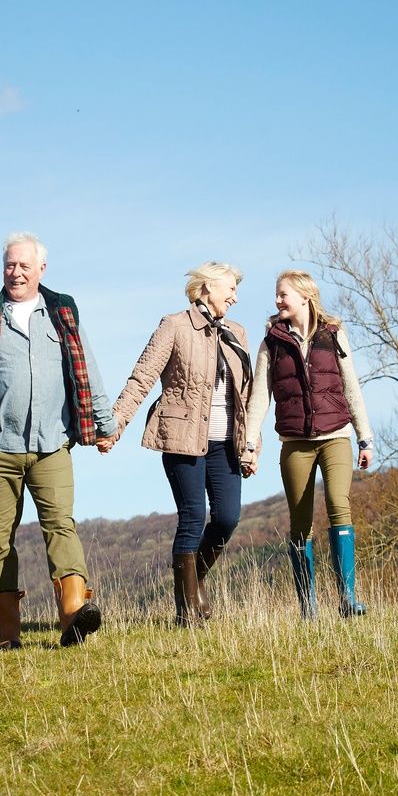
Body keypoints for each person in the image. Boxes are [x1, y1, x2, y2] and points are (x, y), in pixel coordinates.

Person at [0, 233, 117, 648]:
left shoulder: (62, 311)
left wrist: (104, 425)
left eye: (23, 265)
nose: (15, 272)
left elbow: (87, 369)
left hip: (51, 444)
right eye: (9, 265)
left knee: (61, 526)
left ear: (41, 269)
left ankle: (73, 618)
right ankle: (7, 637)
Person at [106, 262, 253, 626]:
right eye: (229, 288)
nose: (235, 296)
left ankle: (195, 581)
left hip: (226, 442)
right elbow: (142, 377)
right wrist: (115, 424)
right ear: (206, 288)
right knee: (192, 517)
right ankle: (187, 611)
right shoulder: (174, 326)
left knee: (227, 518)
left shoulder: (237, 333)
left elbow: (248, 398)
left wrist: (251, 446)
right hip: (182, 438)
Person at [241, 270, 374, 619]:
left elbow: (351, 388)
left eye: (283, 294)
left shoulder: (333, 335)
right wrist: (250, 443)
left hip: (335, 437)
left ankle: (347, 597)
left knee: (337, 503)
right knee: (300, 523)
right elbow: (259, 397)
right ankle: (308, 606)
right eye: (276, 294)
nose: (277, 300)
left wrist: (365, 438)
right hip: (295, 443)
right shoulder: (272, 342)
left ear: (304, 296)